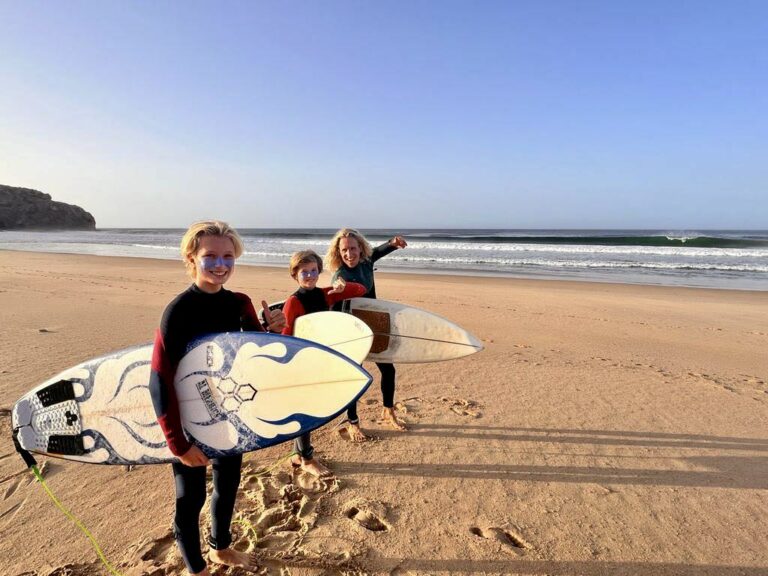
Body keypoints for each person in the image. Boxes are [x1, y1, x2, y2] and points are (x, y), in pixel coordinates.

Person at [149, 220, 285, 576]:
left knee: (228, 485)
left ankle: (220, 547)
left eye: (228, 256)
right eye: (210, 256)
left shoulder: (239, 303)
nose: (220, 264)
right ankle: (197, 569)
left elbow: (255, 353)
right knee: (189, 498)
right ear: (191, 258)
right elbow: (159, 379)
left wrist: (276, 330)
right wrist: (177, 443)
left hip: (229, 413)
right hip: (188, 419)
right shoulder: (178, 311)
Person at [281, 249, 367, 475]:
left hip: (319, 358)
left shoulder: (324, 295)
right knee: (306, 410)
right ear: (295, 275)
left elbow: (361, 289)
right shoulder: (293, 302)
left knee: (308, 406)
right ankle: (307, 458)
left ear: (319, 272)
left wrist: (341, 284)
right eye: (304, 272)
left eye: (313, 271)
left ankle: (297, 454)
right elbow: (287, 335)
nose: (309, 276)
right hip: (301, 361)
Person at [325, 228, 408, 442]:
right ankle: (353, 422)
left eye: (353, 248)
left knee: (388, 369)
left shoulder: (366, 262)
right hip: (352, 330)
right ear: (338, 252)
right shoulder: (339, 276)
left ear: (360, 249)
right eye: (344, 250)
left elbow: (381, 249)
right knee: (356, 377)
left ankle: (388, 411)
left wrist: (394, 242)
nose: (349, 254)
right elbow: (333, 308)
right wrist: (338, 290)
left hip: (375, 322)